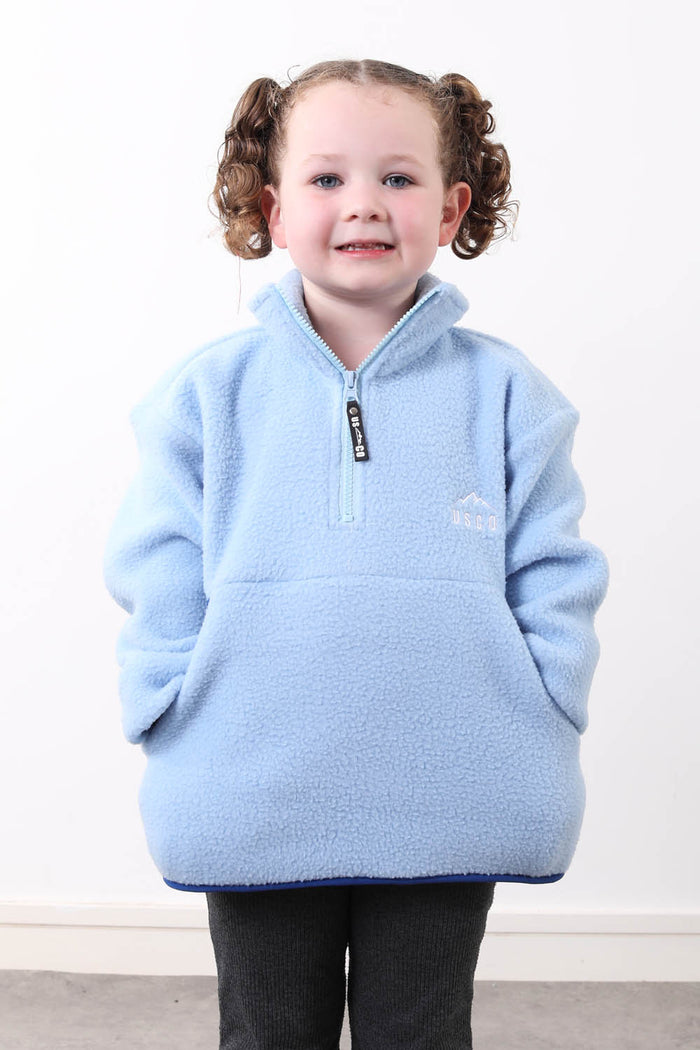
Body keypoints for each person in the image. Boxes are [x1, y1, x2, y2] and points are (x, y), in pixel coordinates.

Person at [103, 58, 609, 1050]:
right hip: (252, 771)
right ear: (273, 209)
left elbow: (555, 566)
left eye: (399, 177)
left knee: (420, 1030)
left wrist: (550, 690)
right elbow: (158, 557)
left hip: (453, 777)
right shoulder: (205, 393)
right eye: (327, 178)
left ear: (452, 207)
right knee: (268, 1031)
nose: (364, 203)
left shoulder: (509, 394)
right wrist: (162, 693)